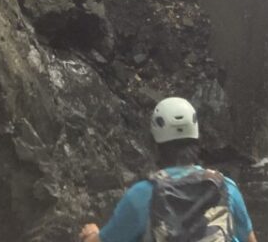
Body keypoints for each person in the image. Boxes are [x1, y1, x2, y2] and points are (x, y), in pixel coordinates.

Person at [80, 97, 258, 242]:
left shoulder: (142, 195)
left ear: (154, 144)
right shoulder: (226, 187)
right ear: (196, 139)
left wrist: (92, 234)